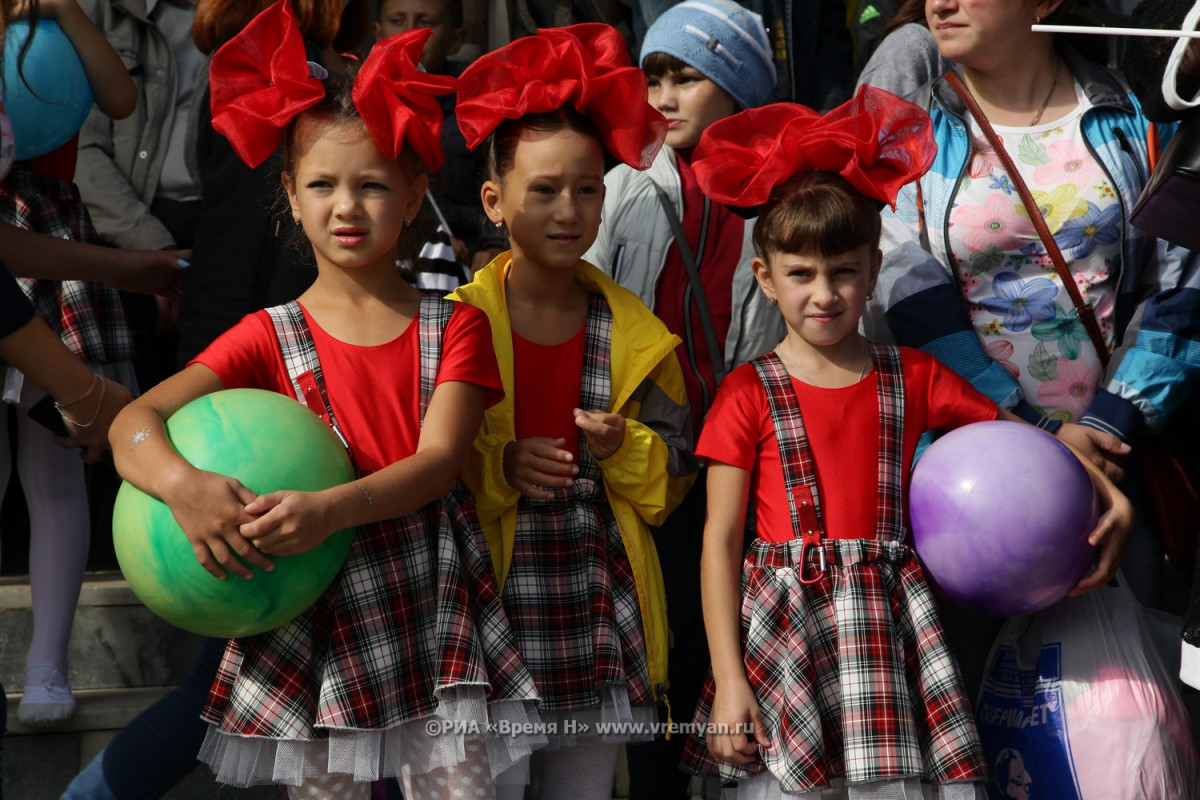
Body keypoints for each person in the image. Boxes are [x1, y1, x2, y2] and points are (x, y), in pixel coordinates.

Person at [107, 5, 541, 798]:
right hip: (309, 616)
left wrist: (331, 511)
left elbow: (440, 463)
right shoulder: (265, 335)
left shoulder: (458, 326)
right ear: (291, 197)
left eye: (372, 184)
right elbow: (132, 423)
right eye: (323, 185)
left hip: (431, 604)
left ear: (414, 195)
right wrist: (185, 488)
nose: (347, 206)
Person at [675, 88, 1134, 799]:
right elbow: (720, 542)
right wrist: (729, 678)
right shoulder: (746, 393)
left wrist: (1103, 490)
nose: (823, 293)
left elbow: (1021, 446)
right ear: (765, 277)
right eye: (800, 274)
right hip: (782, 641)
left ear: (871, 272)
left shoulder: (912, 376)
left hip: (891, 638)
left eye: (844, 272)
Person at [874, 0, 1200, 626]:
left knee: (1122, 710)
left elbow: (1182, 280)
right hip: (969, 481)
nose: (938, 4)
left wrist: (1108, 424)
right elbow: (908, 299)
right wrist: (1030, 430)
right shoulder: (907, 131)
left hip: (1120, 465)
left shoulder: (1134, 115)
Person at [450, 23, 696, 800]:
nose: (569, 210)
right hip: (487, 594)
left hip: (596, 595)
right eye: (543, 190)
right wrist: (499, 465)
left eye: (587, 189)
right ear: (494, 202)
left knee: (584, 786)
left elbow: (673, 478)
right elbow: (424, 463)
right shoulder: (458, 323)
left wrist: (627, 447)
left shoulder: (642, 337)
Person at [581, 3, 780, 797]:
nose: (663, 95)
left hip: (742, 457)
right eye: (653, 76)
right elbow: (586, 294)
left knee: (730, 639)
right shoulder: (624, 183)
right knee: (660, 651)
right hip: (644, 456)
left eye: (687, 77)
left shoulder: (775, 196)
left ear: (737, 88)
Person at [0, 0, 137, 728]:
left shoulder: (59, 23)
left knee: (54, 463)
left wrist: (66, 10)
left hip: (47, 225)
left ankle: (47, 667)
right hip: (16, 237)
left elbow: (120, 97)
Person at [175, 0, 369, 364]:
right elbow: (237, 223)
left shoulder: (325, 56)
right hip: (275, 333)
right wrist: (210, 360)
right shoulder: (270, 64)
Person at [74, 0, 206, 390]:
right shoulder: (92, 10)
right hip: (123, 229)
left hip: (223, 233)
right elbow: (80, 148)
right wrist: (149, 250)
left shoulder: (254, 13)